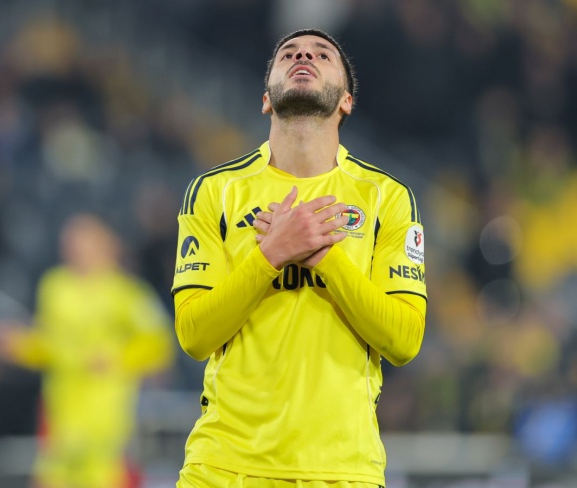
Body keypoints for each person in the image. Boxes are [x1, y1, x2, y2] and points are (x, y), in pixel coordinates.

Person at [172, 29, 427, 487]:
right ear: (266, 100)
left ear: (346, 101)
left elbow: (404, 341)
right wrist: (271, 254)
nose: (303, 54)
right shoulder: (214, 191)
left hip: (342, 470)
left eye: (322, 54)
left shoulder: (387, 197)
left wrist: (323, 256)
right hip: (223, 468)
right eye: (287, 54)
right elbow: (194, 335)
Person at [0, 213, 175, 488]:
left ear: (106, 244)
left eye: (83, 240)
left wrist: (118, 359)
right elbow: (50, 346)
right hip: (61, 418)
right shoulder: (54, 287)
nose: (75, 247)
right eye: (70, 241)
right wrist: (21, 346)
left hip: (107, 423)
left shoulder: (127, 292)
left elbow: (159, 343)